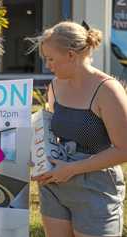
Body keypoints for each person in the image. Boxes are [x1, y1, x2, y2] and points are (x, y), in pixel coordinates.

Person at [30, 21, 127, 237]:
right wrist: (39, 155)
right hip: (54, 185)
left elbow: (124, 149)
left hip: (95, 187)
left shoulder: (108, 90)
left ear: (72, 55)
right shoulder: (55, 85)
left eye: (51, 58)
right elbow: (53, 135)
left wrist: (72, 169)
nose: (48, 65)